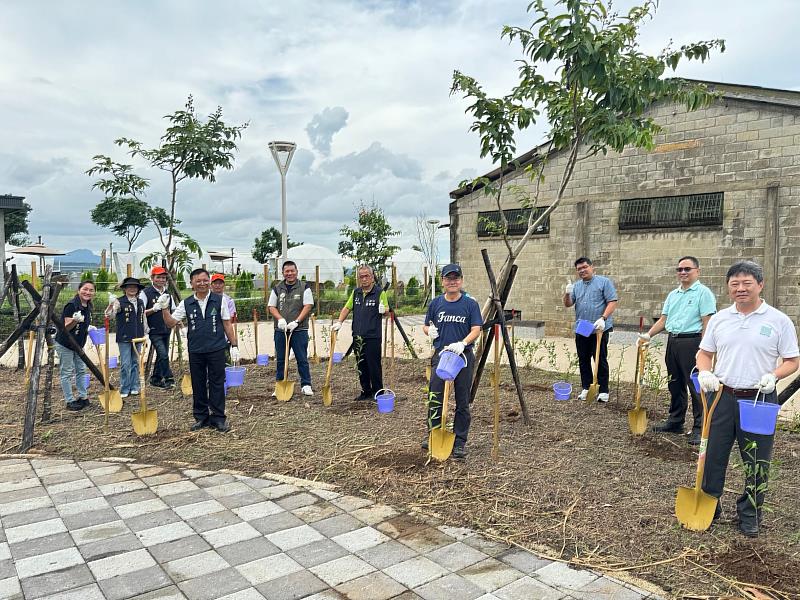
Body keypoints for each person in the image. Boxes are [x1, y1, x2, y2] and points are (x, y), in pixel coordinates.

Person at [696, 260, 798, 537]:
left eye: (747, 283)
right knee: (713, 454)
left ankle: (750, 511)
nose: (740, 289)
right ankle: (709, 504)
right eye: (734, 284)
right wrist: (705, 372)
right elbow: (704, 353)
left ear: (760, 285)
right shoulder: (720, 319)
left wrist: (774, 376)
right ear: (729, 288)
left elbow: (792, 361)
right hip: (722, 397)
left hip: (759, 400)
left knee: (757, 458)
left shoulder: (777, 320)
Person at [640, 256, 716, 445]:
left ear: (697, 271)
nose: (683, 272)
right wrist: (648, 335)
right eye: (680, 269)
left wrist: (704, 349)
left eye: (687, 269)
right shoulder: (673, 295)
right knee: (675, 383)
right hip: (673, 342)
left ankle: (700, 427)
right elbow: (664, 320)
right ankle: (675, 420)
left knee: (696, 386)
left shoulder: (703, 293)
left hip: (692, 342)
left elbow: (708, 322)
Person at [159, 268, 239, 432]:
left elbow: (227, 324)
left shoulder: (219, 300)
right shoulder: (187, 303)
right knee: (198, 383)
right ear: (192, 284)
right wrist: (164, 308)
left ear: (209, 282)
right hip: (196, 350)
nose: (202, 283)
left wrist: (234, 345)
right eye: (198, 281)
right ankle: (201, 417)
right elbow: (170, 323)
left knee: (217, 383)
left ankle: (218, 418)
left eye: (205, 280)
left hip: (217, 348)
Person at [421, 264, 483, 459]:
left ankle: (459, 442)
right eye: (448, 278)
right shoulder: (436, 303)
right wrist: (428, 331)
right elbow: (426, 325)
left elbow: (476, 329)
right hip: (441, 356)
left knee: (462, 401)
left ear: (461, 281)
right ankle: (434, 433)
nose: (452, 281)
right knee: (436, 397)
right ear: (442, 282)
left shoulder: (470, 304)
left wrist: (463, 343)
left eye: (456, 278)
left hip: (462, 358)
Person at [563, 257, 618, 402]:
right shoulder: (576, 286)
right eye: (579, 269)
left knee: (599, 358)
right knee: (583, 359)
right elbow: (568, 304)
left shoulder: (604, 282)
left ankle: (604, 390)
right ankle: (586, 387)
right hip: (583, 327)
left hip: (599, 327)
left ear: (592, 267)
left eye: (585, 267)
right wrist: (567, 293)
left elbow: (612, 301)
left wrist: (603, 318)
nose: (582, 270)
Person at [332, 265, 389, 401]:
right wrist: (339, 322)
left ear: (372, 277)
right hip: (358, 335)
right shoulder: (356, 292)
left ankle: (378, 392)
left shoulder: (379, 292)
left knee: (374, 365)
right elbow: (347, 308)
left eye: (366, 276)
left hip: (373, 336)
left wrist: (384, 310)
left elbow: (387, 309)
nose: (364, 279)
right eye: (361, 276)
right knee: (361, 364)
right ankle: (365, 391)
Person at [268, 260, 314, 397]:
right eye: (287, 271)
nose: (289, 273)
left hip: (299, 329)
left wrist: (296, 321)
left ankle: (306, 384)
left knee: (302, 358)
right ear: (283, 273)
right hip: (281, 330)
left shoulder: (304, 287)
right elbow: (271, 306)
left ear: (296, 271)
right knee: (281, 359)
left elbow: (308, 305)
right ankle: (280, 383)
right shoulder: (277, 288)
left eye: (292, 271)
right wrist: (280, 319)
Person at [54, 279, 96, 411]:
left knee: (81, 370)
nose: (87, 292)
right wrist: (74, 320)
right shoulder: (71, 305)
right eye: (85, 289)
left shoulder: (88, 306)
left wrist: (88, 327)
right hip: (65, 344)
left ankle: (83, 397)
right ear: (79, 290)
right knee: (66, 371)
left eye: (91, 290)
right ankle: (69, 400)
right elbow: (64, 327)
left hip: (78, 345)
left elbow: (83, 325)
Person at [107, 277, 147, 399]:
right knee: (125, 364)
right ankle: (125, 388)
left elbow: (143, 318)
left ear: (138, 289)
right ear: (124, 289)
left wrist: (145, 331)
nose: (132, 289)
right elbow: (110, 315)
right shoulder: (119, 301)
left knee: (136, 362)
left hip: (138, 336)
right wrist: (111, 304)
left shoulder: (140, 302)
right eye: (129, 287)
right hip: (124, 336)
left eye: (135, 287)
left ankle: (135, 386)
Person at [140, 266, 175, 389]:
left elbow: (173, 310)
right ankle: (169, 378)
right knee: (164, 354)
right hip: (154, 330)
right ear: (152, 278)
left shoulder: (167, 293)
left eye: (163, 278)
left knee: (162, 355)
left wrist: (178, 325)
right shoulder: (146, 293)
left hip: (166, 328)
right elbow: (140, 312)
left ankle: (155, 379)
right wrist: (154, 309)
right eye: (158, 277)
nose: (161, 280)